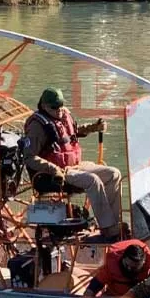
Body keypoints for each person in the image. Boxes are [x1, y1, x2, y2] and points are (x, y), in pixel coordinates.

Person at [24, 87, 124, 240]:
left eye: (60, 106)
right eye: (54, 107)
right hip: (58, 173)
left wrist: (93, 128)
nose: (59, 110)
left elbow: (72, 133)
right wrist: (53, 169)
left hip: (76, 165)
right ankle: (108, 229)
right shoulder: (37, 126)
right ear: (44, 106)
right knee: (93, 181)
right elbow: (29, 157)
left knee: (113, 174)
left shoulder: (63, 115)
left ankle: (115, 225)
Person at [76, 239, 150, 298]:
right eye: (127, 265)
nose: (129, 269)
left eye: (134, 268)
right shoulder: (112, 265)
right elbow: (93, 288)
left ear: (143, 263)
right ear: (123, 258)